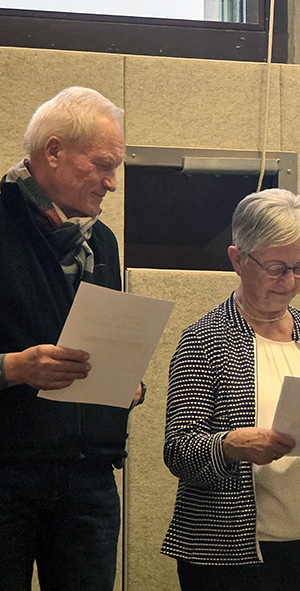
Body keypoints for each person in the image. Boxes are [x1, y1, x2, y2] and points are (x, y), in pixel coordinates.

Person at [162, 188, 300, 591]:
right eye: (276, 268)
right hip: (228, 555)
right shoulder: (204, 340)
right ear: (237, 259)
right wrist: (230, 446)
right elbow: (178, 451)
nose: (290, 281)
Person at [0, 86, 142, 591]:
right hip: (8, 472)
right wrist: (13, 368)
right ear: (54, 151)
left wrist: (126, 382)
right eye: (103, 165)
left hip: (89, 475)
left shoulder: (101, 240)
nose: (112, 183)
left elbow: (103, 342)